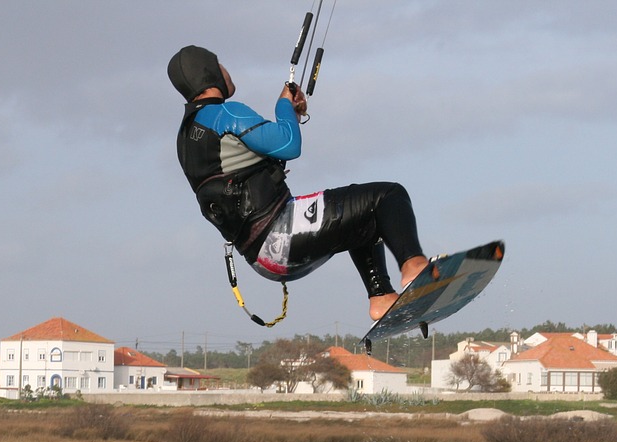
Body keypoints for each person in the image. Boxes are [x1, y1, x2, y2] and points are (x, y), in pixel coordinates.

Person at [167, 44, 433, 321]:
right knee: (388, 197)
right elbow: (288, 144)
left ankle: (381, 296)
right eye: (220, 64)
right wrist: (283, 105)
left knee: (363, 218)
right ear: (210, 73)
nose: (226, 71)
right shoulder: (226, 113)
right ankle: (413, 264)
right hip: (282, 235)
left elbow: (240, 172)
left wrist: (292, 114)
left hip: (261, 259)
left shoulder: (186, 138)